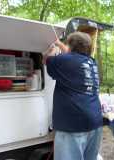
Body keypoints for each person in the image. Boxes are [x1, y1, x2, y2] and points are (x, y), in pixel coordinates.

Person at [44, 32, 103, 160]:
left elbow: (46, 60)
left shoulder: (63, 61)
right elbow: (71, 56)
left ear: (71, 46)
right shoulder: (91, 62)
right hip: (95, 123)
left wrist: (52, 48)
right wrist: (60, 44)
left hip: (72, 125)